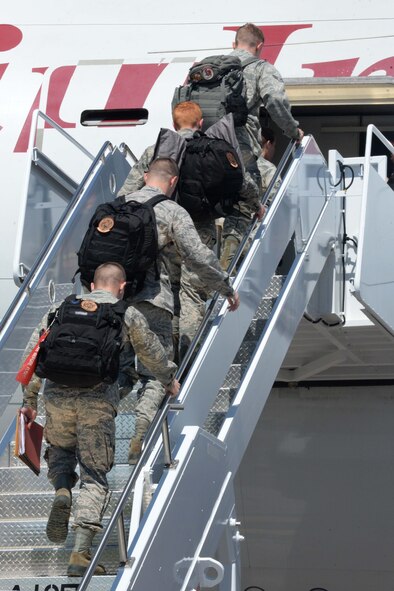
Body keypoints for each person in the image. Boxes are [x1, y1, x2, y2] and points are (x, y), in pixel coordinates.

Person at [20, 262, 180, 577]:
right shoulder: (126, 314)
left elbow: (33, 353)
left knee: (62, 451)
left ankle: (63, 488)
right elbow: (151, 353)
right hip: (97, 401)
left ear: (92, 282)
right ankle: (80, 553)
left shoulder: (60, 310)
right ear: (121, 287)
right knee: (95, 474)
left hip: (57, 397)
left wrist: (29, 401)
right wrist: (168, 379)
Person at [118, 101, 260, 362]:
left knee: (170, 294)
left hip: (164, 232)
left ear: (174, 124)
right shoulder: (213, 148)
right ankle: (190, 360)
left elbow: (125, 194)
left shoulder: (157, 152)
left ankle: (169, 359)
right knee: (193, 295)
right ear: (200, 123)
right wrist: (257, 206)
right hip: (201, 231)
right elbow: (243, 182)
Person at [122, 157, 240, 463]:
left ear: (145, 175)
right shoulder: (171, 210)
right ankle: (140, 431)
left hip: (114, 300)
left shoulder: (115, 206)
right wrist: (225, 286)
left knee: (121, 370)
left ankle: (101, 429)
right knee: (155, 373)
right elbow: (198, 256)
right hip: (152, 301)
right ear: (173, 182)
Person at [230, 22, 304, 170]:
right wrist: (293, 131)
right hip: (241, 149)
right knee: (271, 183)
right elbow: (275, 100)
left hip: (206, 150)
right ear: (259, 46)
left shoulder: (211, 69)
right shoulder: (261, 68)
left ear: (234, 44)